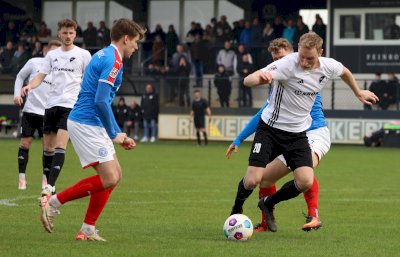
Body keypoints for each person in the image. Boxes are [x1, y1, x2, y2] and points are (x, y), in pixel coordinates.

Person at [228, 32, 378, 233]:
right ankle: (237, 209)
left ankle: (270, 203)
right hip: (270, 129)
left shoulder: (328, 65)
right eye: (302, 56)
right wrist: (258, 78)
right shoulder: (287, 64)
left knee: (305, 180)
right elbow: (249, 79)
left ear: (320, 53)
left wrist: (358, 92)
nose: (305, 62)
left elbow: (344, 71)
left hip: (299, 133)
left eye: (310, 58)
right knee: (254, 179)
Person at [37, 18, 145, 241]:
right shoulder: (114, 60)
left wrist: (114, 133)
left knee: (115, 176)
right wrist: (116, 133)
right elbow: (101, 101)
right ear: (126, 38)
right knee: (109, 178)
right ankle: (54, 203)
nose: (136, 46)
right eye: (135, 42)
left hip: (89, 122)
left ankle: (87, 228)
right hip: (87, 122)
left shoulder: (102, 54)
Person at [226, 38, 327, 232]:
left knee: (305, 169)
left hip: (312, 132)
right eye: (274, 59)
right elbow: (262, 113)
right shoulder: (278, 81)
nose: (277, 63)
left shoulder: (304, 75)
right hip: (282, 131)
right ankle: (265, 217)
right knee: (261, 177)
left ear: (293, 56)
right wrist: (239, 139)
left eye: (281, 58)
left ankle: (313, 214)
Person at [21, 19, 92, 197]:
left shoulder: (84, 55)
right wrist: (30, 86)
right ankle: (48, 184)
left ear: (75, 34)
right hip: (51, 105)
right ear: (59, 34)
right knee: (48, 147)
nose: (68, 36)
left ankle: (50, 185)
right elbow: (40, 76)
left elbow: (89, 79)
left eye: (71, 33)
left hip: (70, 106)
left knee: (61, 145)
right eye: (65, 33)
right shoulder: (52, 56)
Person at [13, 40, 62, 190]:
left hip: (48, 114)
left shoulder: (61, 70)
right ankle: (22, 179)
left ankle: (45, 180)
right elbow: (20, 76)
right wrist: (16, 94)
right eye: (52, 52)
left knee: (48, 147)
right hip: (30, 110)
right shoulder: (34, 62)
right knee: (25, 143)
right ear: (46, 51)